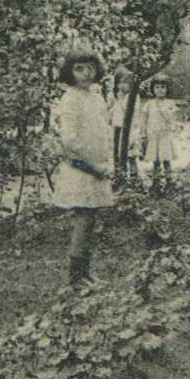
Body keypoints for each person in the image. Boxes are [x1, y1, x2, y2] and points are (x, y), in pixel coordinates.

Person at [50, 43, 115, 288]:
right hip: (81, 168)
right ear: (70, 73)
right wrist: (91, 166)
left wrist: (106, 162)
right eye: (79, 69)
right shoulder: (71, 99)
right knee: (83, 218)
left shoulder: (96, 98)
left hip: (97, 165)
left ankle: (86, 272)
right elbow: (71, 139)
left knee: (91, 219)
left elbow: (102, 132)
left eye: (89, 68)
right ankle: (75, 277)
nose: (86, 73)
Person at [136, 74, 181, 189]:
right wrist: (143, 133)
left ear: (167, 89)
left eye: (163, 87)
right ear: (153, 89)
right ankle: (156, 181)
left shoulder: (170, 103)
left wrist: (173, 126)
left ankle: (169, 180)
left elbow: (172, 119)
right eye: (157, 87)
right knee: (155, 160)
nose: (160, 90)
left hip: (165, 135)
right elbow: (144, 119)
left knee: (166, 159)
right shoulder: (149, 104)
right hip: (153, 135)